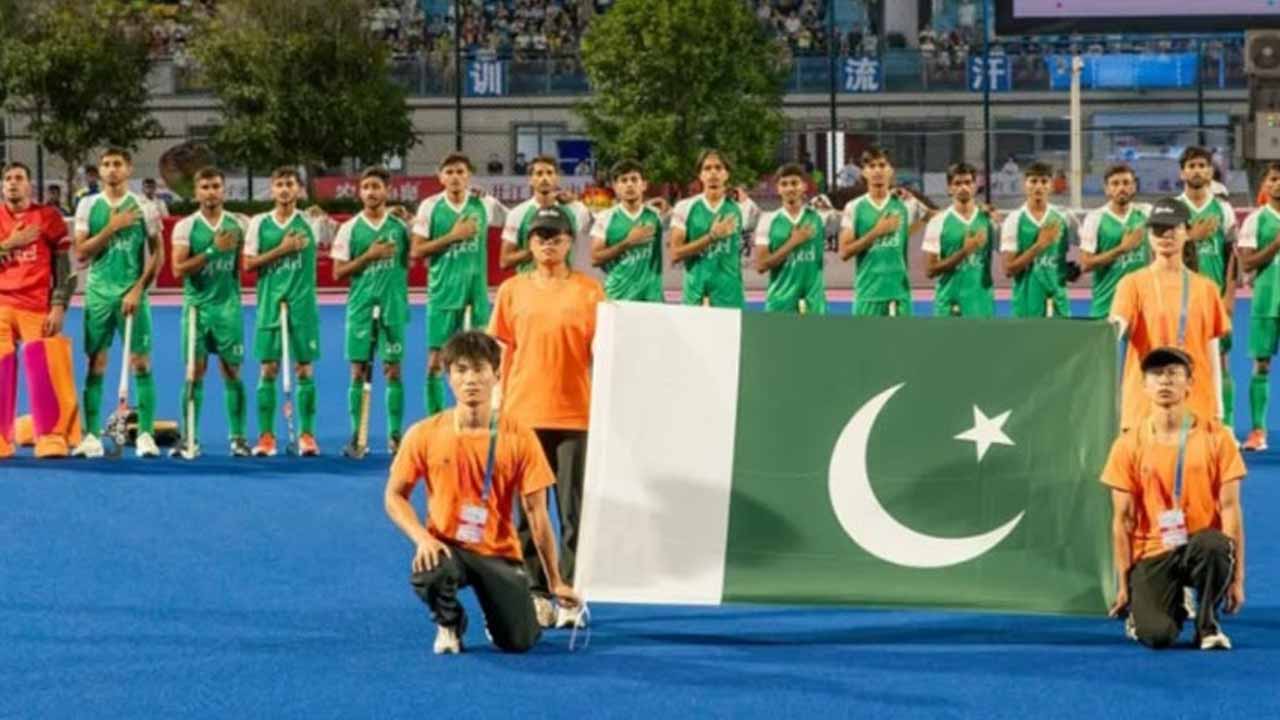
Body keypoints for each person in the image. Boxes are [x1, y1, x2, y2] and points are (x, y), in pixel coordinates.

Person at [385, 331, 579, 655]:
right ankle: (449, 622)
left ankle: (499, 615)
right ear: (448, 378)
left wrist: (555, 580)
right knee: (429, 571)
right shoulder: (423, 434)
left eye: (479, 369)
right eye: (461, 370)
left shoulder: (520, 437)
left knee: (519, 642)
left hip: (498, 552)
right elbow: (394, 496)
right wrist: (422, 538)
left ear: (497, 375)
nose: (471, 380)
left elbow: (537, 514)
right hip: (448, 547)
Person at [489, 206, 604, 629]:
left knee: (573, 512)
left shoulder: (590, 291)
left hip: (576, 414)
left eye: (556, 236)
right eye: (540, 237)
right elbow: (501, 349)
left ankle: (570, 594)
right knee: (528, 512)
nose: (548, 243)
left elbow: (606, 352)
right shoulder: (512, 290)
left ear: (570, 242)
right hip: (524, 414)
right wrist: (496, 400)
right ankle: (537, 593)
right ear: (529, 244)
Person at [1102, 346, 1245, 650]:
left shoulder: (1218, 438)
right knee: (1158, 636)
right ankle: (1168, 604)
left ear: (1189, 383)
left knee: (1215, 545)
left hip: (1199, 546)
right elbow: (1122, 521)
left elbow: (1231, 511)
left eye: (1173, 373)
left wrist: (1237, 579)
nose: (1165, 380)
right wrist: (1124, 585)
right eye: (1156, 374)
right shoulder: (1127, 445)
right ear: (1144, 385)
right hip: (1153, 550)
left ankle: (1207, 625)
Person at [71, 149, 165, 459]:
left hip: (132, 294)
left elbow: (158, 254)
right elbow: (81, 251)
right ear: (100, 171)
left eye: (117, 164)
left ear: (129, 169)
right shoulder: (88, 205)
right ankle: (91, 436)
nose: (112, 169)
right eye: (106, 165)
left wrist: (137, 290)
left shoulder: (145, 206)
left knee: (141, 362)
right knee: (95, 363)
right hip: (98, 295)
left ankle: (146, 434)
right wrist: (111, 227)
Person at [1111, 198, 1231, 431]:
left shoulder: (1206, 288)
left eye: (1173, 227)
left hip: (1195, 404)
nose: (1166, 234)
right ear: (1149, 236)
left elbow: (1212, 352)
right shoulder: (1131, 284)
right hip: (1145, 406)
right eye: (1158, 229)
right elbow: (1116, 327)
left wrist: (1218, 409)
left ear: (1187, 232)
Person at [412, 153, 506, 417]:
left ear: (469, 176)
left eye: (460, 172)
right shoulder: (430, 206)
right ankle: (434, 418)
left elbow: (516, 221)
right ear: (440, 177)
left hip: (476, 294)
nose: (455, 177)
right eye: (449, 172)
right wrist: (453, 236)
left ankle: (484, 415)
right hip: (443, 293)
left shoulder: (484, 203)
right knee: (435, 361)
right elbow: (417, 250)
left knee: (484, 358)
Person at [169, 167, 250, 457]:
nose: (211, 192)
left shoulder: (238, 225)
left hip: (228, 309)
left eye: (216, 186)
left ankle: (238, 438)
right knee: (194, 372)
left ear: (224, 190)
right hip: (197, 309)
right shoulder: (186, 227)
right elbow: (178, 269)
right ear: (196, 192)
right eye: (205, 187)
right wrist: (213, 251)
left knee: (232, 371)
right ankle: (189, 438)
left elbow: (242, 266)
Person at [243, 167, 324, 457]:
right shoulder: (259, 223)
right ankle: (266, 437)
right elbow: (248, 264)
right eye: (279, 184)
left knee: (304, 369)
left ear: (299, 189)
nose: (285, 189)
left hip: (303, 305)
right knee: (268, 369)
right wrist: (283, 248)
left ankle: (307, 436)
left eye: (290, 183)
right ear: (272, 189)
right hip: (270, 304)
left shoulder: (312, 221)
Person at [332, 166, 412, 456]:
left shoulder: (400, 228)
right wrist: (370, 256)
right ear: (359, 192)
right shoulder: (350, 228)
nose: (371, 192)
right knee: (358, 372)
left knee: (393, 371)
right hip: (361, 308)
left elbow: (411, 260)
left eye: (376, 187)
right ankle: (358, 435)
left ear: (387, 191)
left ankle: (395, 436)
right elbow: (338, 272)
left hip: (393, 307)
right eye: (366, 187)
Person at [0, 162, 76, 458]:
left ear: (29, 185)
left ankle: (51, 435)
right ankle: (2, 438)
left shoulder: (48, 217)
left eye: (19, 178)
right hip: (1, 304)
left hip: (36, 305)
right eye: (7, 178)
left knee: (43, 368)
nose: (12, 183)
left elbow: (64, 267)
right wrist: (10, 244)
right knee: (1, 368)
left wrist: (59, 305)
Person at [1178, 146, 1238, 432]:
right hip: (1180, 298)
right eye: (1191, 166)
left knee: (1221, 361)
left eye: (1202, 165)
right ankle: (1186, 422)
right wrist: (1193, 236)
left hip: (1214, 298)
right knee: (1182, 361)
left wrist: (1229, 296)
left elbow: (1231, 256)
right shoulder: (1173, 209)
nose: (1197, 171)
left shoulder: (1223, 210)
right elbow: (1163, 250)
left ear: (1211, 172)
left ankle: (1224, 426)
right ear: (1182, 173)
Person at [838, 147, 928, 317]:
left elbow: (935, 215)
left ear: (891, 171)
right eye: (872, 166)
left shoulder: (905, 204)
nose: (877, 170)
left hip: (899, 295)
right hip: (868, 294)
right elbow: (844, 252)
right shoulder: (854, 207)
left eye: (882, 165)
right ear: (864, 172)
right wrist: (877, 231)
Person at [669, 150, 759, 308]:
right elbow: (675, 254)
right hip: (695, 296)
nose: (713, 173)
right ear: (700, 175)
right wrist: (712, 237)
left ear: (727, 174)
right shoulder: (685, 207)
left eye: (718, 168)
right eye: (707, 168)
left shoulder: (743, 207)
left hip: (731, 297)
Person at [1235, 161, 1280, 452]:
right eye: (1273, 179)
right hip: (1266, 300)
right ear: (1264, 185)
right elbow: (1247, 264)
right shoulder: (1255, 220)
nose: (1278, 184)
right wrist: (1275, 245)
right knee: (1261, 364)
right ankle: (1258, 431)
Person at [753, 162, 832, 314]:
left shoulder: (819, 217)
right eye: (784, 184)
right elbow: (761, 265)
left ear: (804, 186)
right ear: (778, 188)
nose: (790, 188)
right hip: (780, 303)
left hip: (814, 303)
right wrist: (793, 242)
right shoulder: (767, 220)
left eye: (794, 183)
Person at [921, 162, 997, 318]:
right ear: (949, 188)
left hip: (981, 305)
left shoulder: (989, 221)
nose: (963, 187)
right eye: (957, 183)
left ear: (975, 186)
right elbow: (930, 270)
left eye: (968, 182)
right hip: (949, 305)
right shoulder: (937, 222)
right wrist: (965, 251)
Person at [1000, 162, 1074, 318]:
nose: (1038, 186)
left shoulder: (1064, 217)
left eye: (1044, 181)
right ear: (1024, 185)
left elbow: (1074, 260)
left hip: (1058, 303)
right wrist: (1039, 246)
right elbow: (1008, 269)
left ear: (1051, 185)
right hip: (1026, 304)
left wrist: (1073, 271)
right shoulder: (1014, 220)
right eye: (1033, 181)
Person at [1080, 164, 1151, 319]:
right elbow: (1085, 264)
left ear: (1134, 187)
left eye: (1126, 183)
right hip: (1107, 304)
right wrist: (1122, 249)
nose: (1121, 188)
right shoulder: (1095, 218)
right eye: (1115, 183)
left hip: (1142, 304)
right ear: (1107, 189)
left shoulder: (1146, 212)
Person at [499, 155, 591, 273]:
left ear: (557, 178)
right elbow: (505, 261)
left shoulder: (575, 210)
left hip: (564, 281)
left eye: (549, 173)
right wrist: (539, 250)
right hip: (530, 282)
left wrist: (577, 200)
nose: (545, 178)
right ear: (530, 180)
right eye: (539, 173)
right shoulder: (517, 213)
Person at [590, 159, 664, 303]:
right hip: (617, 297)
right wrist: (627, 243)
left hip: (651, 298)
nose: (629, 184)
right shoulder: (605, 218)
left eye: (634, 179)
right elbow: (595, 259)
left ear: (644, 185)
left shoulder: (657, 215)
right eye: (623, 180)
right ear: (615, 187)